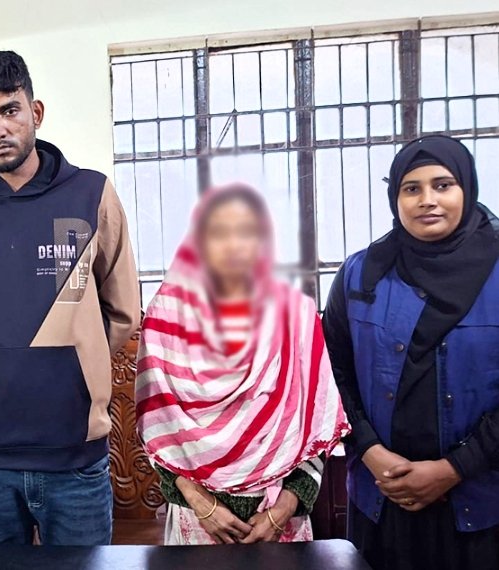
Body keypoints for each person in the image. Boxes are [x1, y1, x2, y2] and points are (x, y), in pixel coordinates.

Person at [0, 50, 140, 546]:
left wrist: (72, 363)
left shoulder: (91, 194)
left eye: (9, 110)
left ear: (36, 112)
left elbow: (123, 310)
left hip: (73, 452)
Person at [136, 184, 349, 546]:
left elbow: (315, 428)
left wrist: (283, 510)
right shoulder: (166, 318)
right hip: (196, 518)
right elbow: (159, 433)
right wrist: (202, 505)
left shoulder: (295, 316)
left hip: (280, 516)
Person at [323, 135, 499, 570]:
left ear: (467, 188)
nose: (427, 200)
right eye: (411, 188)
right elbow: (332, 373)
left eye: (443, 185)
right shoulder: (360, 274)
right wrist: (370, 451)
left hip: (482, 500)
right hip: (383, 496)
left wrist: (454, 468)